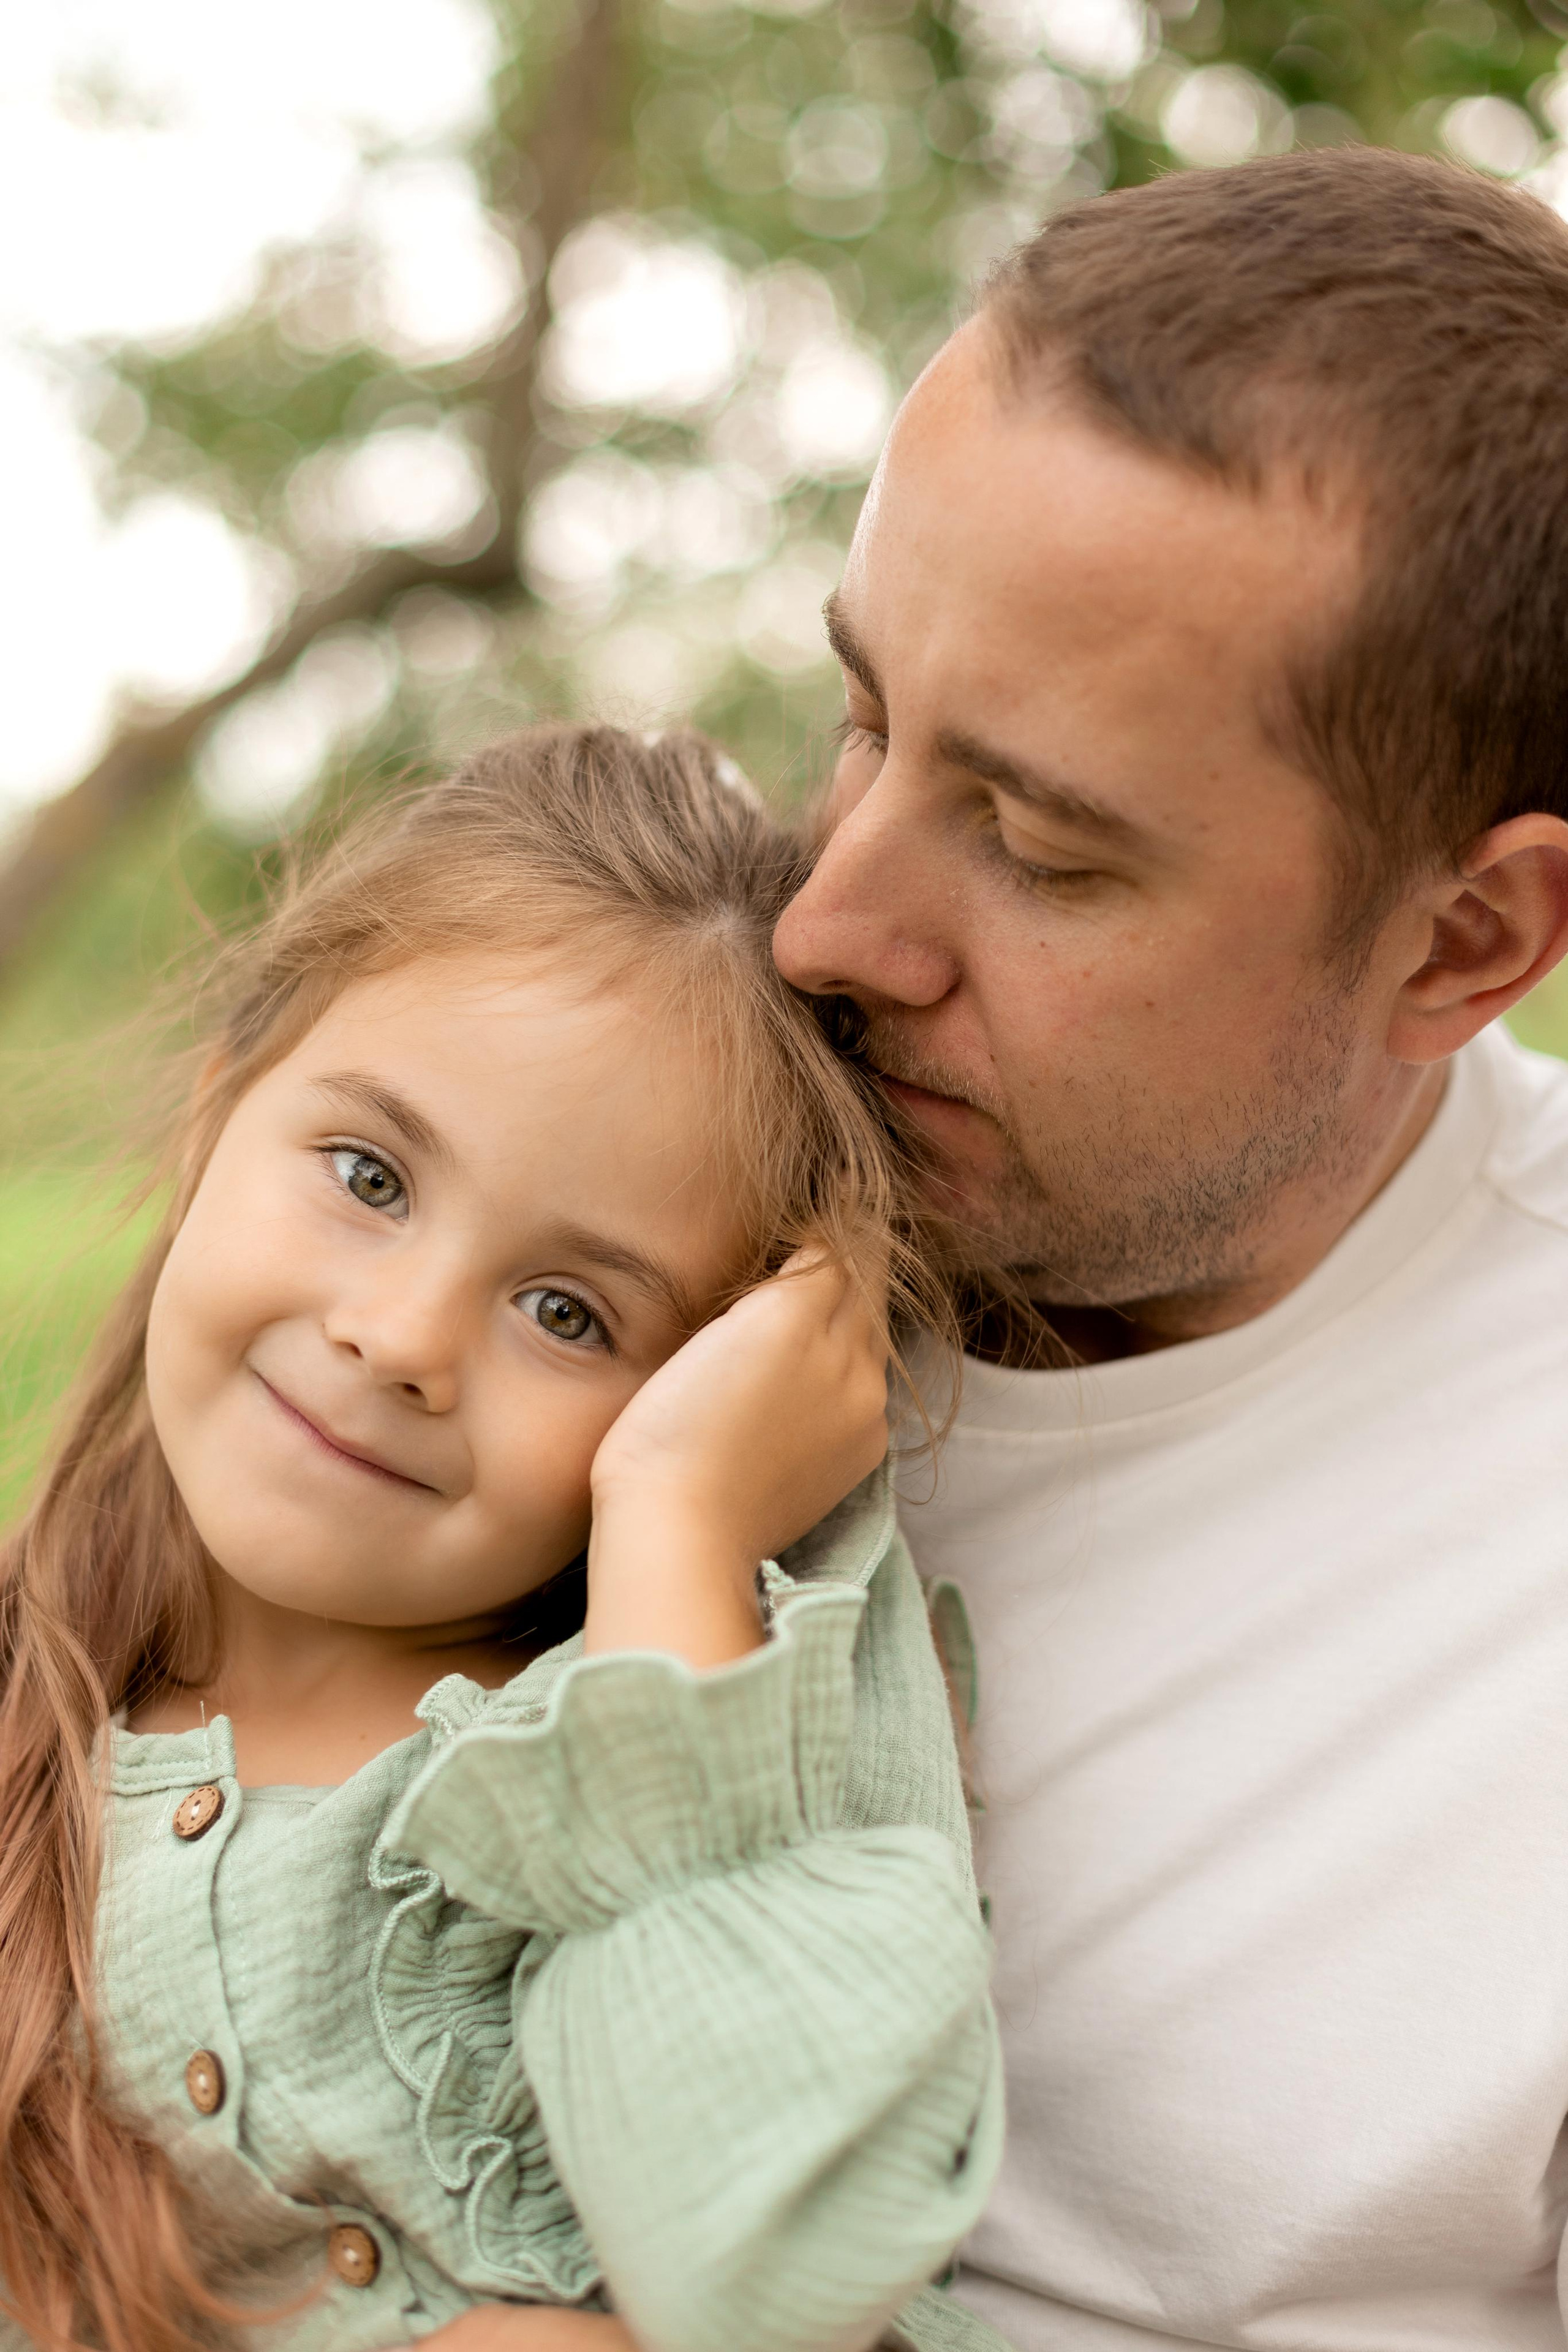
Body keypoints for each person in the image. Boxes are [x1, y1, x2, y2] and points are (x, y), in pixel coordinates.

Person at [771, 148, 1568, 2349]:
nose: (825, 925)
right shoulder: (625, 1154)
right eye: (862, 719)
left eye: (1036, 846)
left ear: (1467, 940)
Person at [0, 726, 1005, 2352]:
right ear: (213, 1113)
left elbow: (778, 2280)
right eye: (368, 1172)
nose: (402, 1335)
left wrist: (677, 1528)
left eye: (569, 1312)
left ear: (715, 1387)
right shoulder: (32, 1702)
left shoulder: (721, 1723)